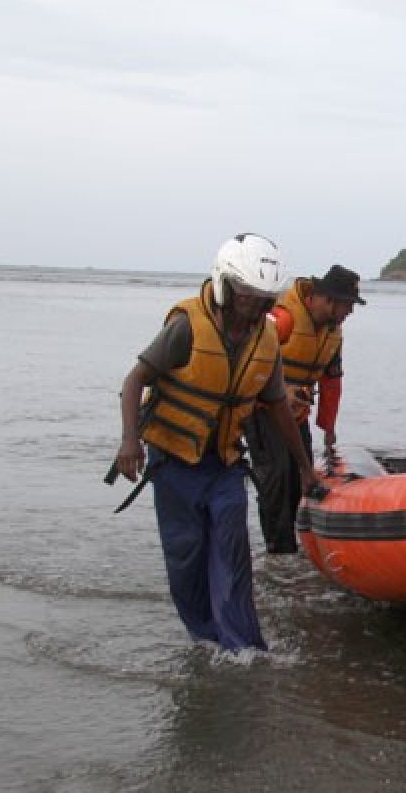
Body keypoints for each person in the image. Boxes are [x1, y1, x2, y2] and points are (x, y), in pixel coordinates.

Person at [113, 233, 324, 652]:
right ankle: (205, 640)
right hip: (174, 464)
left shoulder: (266, 340)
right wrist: (129, 443)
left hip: (224, 465)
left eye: (265, 300)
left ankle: (243, 650)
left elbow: (278, 405)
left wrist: (304, 467)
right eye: (248, 297)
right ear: (227, 285)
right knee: (187, 556)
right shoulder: (187, 326)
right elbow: (135, 380)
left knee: (233, 555)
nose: (256, 308)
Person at [244, 264, 365, 554]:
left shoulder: (332, 334)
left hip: (294, 415)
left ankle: (292, 547)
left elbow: (332, 380)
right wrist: (280, 390)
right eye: (348, 305)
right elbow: (248, 353)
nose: (350, 312)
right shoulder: (283, 319)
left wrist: (328, 427)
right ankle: (278, 552)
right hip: (261, 410)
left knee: (301, 476)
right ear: (327, 300)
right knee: (276, 476)